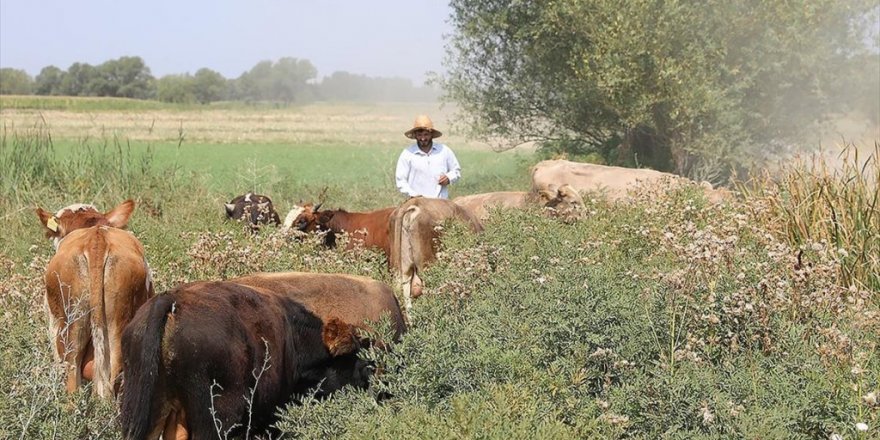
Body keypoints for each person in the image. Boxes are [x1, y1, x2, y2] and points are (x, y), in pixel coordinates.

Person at [395, 115, 461, 199]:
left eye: (426, 134)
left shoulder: (444, 151)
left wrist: (449, 178)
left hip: (441, 201)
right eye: (419, 135)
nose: (423, 138)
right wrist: (414, 195)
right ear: (415, 135)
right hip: (417, 202)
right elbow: (401, 180)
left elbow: (456, 171)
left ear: (431, 134)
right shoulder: (407, 153)